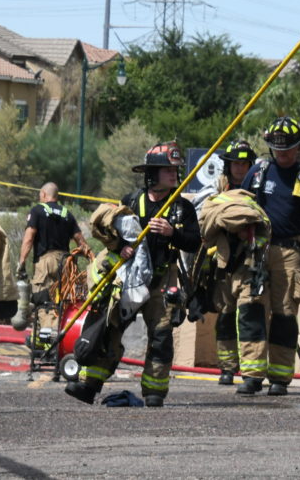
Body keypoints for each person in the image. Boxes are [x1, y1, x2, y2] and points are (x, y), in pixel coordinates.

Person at [65, 141, 201, 407]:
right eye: (168, 170)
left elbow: (195, 242)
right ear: (152, 174)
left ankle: (154, 391)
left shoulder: (181, 207)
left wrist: (172, 233)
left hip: (162, 280)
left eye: (175, 170)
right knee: (108, 327)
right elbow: (112, 232)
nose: (174, 175)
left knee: (161, 335)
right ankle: (89, 384)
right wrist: (121, 247)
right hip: (127, 279)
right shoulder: (130, 201)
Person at [240, 117, 300, 396]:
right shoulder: (258, 172)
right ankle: (251, 376)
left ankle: (280, 379)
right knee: (251, 310)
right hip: (256, 251)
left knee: (284, 314)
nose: (282, 154)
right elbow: (238, 203)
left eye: (288, 149)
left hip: (289, 253)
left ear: (298, 147)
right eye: (278, 149)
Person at [18, 182, 90, 345]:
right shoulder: (67, 214)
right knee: (61, 301)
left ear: (44, 194)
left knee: (42, 298)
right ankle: (43, 337)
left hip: (46, 261)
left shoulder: (37, 210)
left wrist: (21, 262)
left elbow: (29, 237)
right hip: (66, 263)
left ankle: (48, 342)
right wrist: (91, 260)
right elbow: (80, 240)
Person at [211, 139, 257, 385]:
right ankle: (227, 368)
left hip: (251, 260)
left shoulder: (258, 189)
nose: (239, 168)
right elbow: (207, 215)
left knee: (249, 314)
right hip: (223, 260)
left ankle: (251, 369)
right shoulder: (218, 189)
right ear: (228, 166)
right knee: (225, 315)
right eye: (235, 164)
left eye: (243, 164)